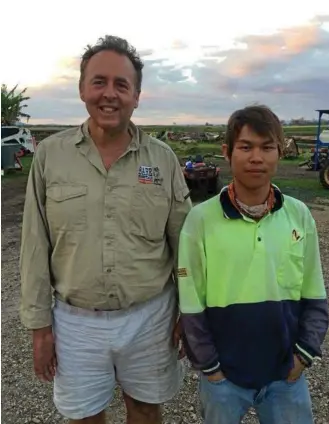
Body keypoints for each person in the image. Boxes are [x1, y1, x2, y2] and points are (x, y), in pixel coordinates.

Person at [20, 35, 192, 424]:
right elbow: (33, 244)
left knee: (146, 409)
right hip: (76, 322)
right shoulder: (51, 156)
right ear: (82, 88)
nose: (109, 94)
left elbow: (184, 242)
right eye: (99, 82)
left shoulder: (162, 160)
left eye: (121, 84)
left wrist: (189, 309)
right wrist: (39, 326)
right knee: (84, 416)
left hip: (151, 316)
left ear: (137, 95)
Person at [177, 105, 329, 424]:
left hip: (286, 378)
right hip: (223, 382)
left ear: (280, 152)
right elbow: (190, 302)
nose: (256, 157)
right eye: (245, 147)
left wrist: (304, 355)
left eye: (267, 147)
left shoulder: (299, 215)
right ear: (227, 152)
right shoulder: (201, 220)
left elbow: (315, 295)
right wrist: (211, 368)